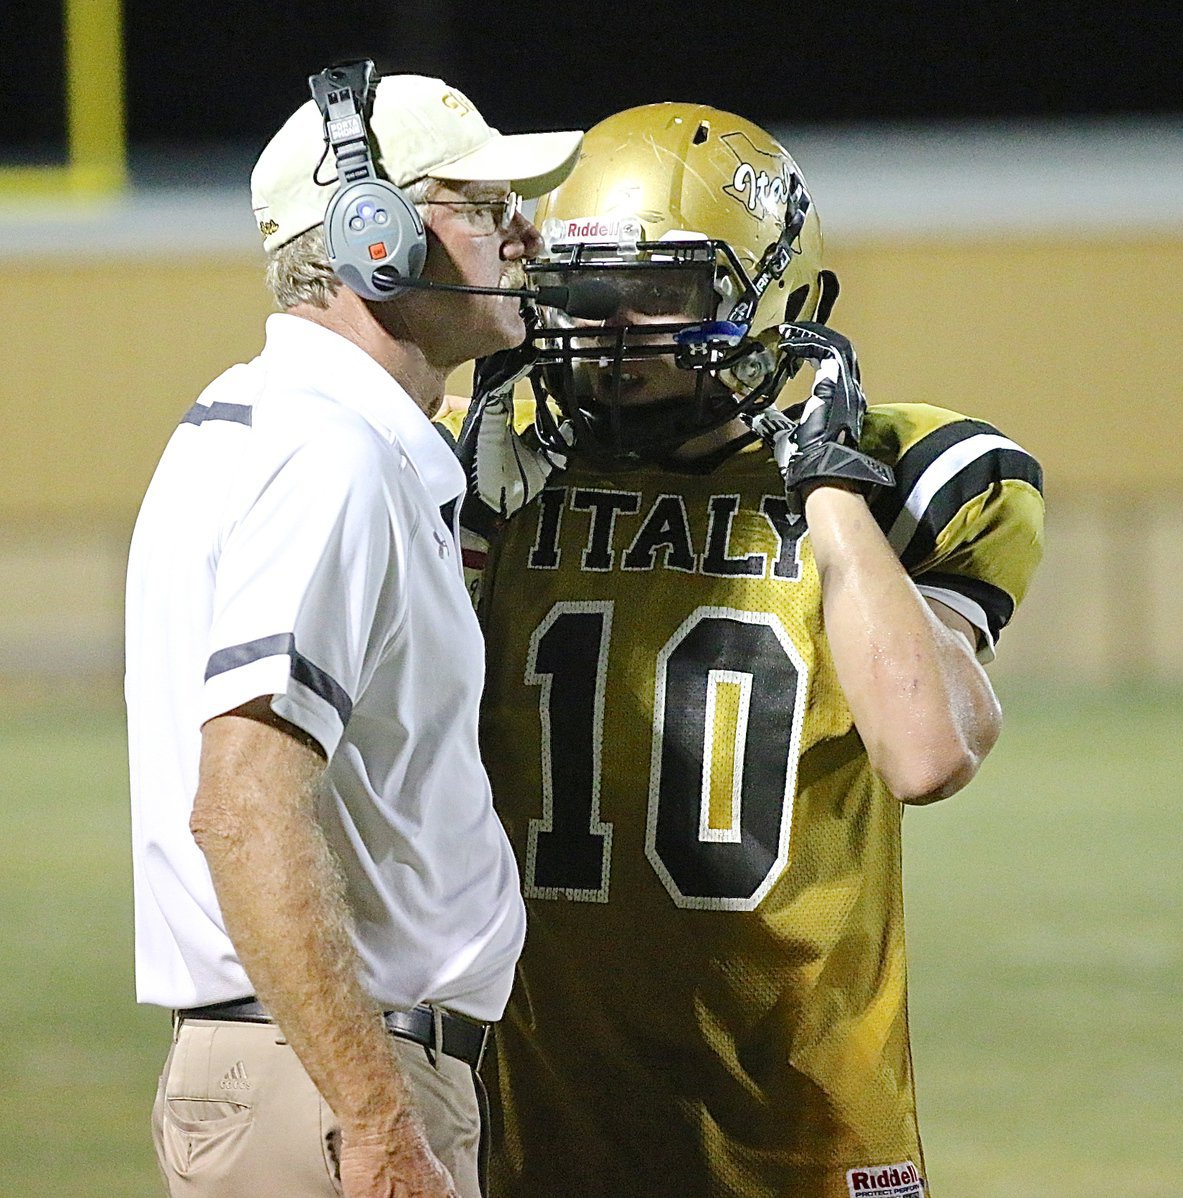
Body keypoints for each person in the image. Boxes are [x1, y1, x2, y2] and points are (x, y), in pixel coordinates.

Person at [457, 103, 1045, 1198]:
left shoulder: (901, 477)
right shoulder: (484, 464)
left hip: (808, 1124)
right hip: (541, 1116)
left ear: (775, 297)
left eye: (662, 294)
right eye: (586, 293)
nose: (616, 334)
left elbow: (927, 754)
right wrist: (462, 528)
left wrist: (826, 482)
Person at [124, 60, 582, 1198]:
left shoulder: (278, 424)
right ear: (371, 232)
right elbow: (242, 804)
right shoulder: (333, 456)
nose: (520, 234)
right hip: (335, 1084)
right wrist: (377, 1119)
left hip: (302, 1068)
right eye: (479, 207)